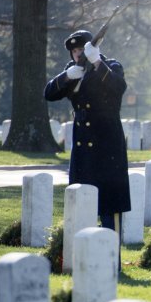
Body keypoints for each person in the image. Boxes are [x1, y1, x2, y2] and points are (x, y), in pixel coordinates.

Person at [44, 30, 131, 238]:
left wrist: (97, 62)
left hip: (107, 143)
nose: (77, 53)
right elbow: (49, 93)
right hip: (83, 145)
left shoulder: (111, 66)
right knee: (82, 201)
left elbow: (118, 88)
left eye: (81, 49)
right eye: (74, 50)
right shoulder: (72, 71)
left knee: (109, 205)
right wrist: (67, 76)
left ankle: (112, 259)